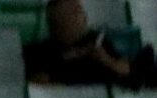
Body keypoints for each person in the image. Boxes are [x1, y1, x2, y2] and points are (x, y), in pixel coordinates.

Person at [24, 0, 157, 87]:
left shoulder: (96, 41)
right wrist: (73, 57)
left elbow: (126, 69)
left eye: (80, 10)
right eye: (75, 12)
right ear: (56, 21)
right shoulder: (40, 51)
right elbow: (35, 83)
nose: (83, 16)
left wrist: (105, 59)